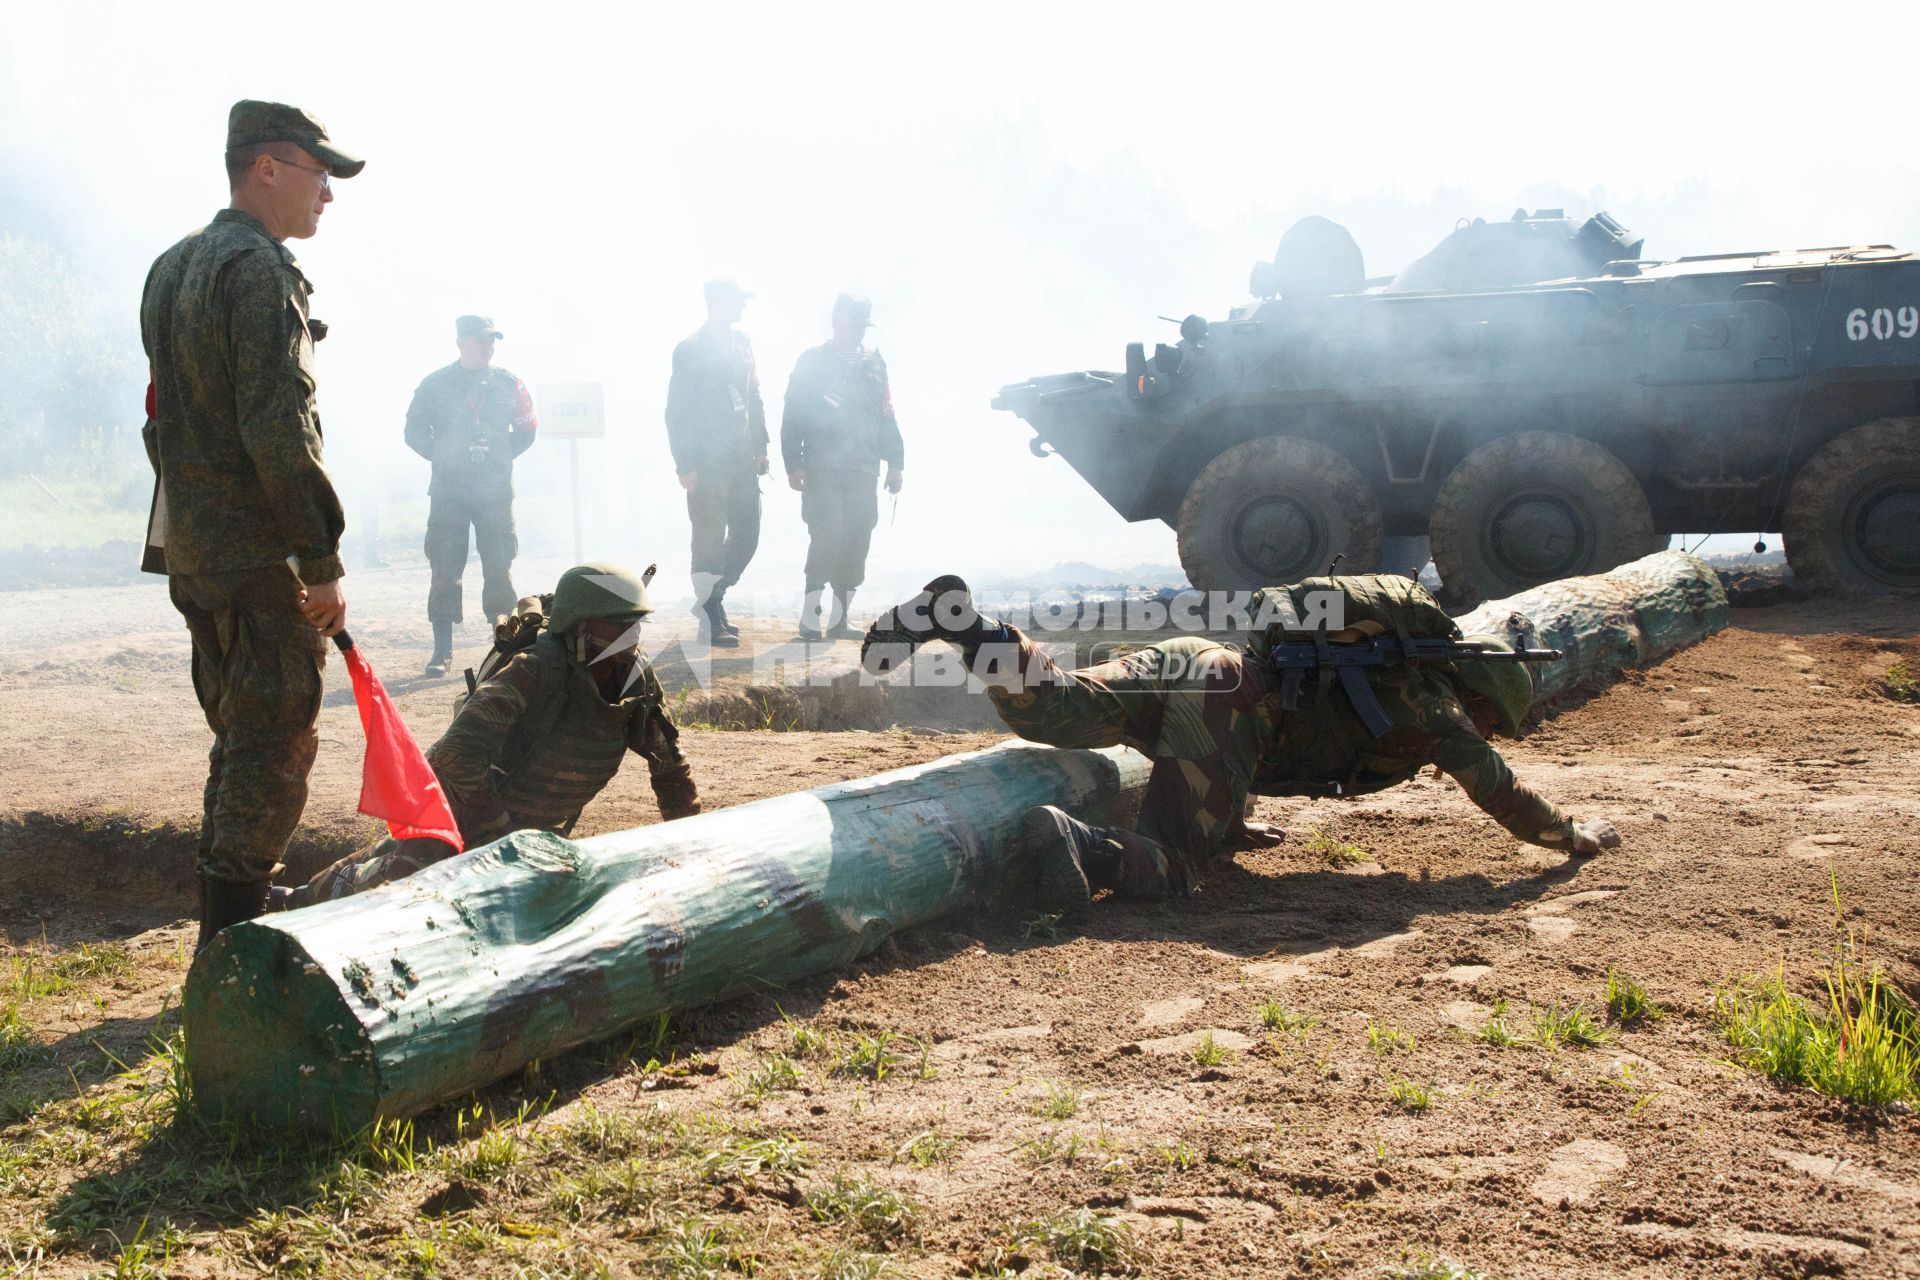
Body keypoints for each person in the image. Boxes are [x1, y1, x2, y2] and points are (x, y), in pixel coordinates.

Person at [862, 575, 1620, 915]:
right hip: (1226, 702)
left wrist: (1232, 815)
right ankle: (1080, 845)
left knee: (1053, 709)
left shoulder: (1383, 674)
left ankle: (971, 629)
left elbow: (1296, 728)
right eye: (1493, 724)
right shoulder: (1436, 705)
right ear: (1485, 703)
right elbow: (1501, 791)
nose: (1484, 735)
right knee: (1175, 869)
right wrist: (1569, 835)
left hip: (1204, 659)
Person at [139, 99, 363, 951]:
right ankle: (229, 946)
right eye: (321, 176)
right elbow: (279, 425)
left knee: (240, 737)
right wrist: (319, 555)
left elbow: (165, 418)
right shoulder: (260, 272)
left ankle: (225, 923)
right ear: (267, 168)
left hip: (197, 552)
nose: (328, 197)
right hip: (257, 553)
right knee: (271, 743)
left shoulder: (172, 266)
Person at [289, 562, 701, 905]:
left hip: (530, 830)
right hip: (462, 813)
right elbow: (452, 754)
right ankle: (294, 901)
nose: (632, 638)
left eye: (635, 626)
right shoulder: (534, 669)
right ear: (581, 625)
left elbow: (669, 766)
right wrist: (498, 835)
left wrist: (691, 849)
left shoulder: (634, 681)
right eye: (618, 627)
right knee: (399, 883)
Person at [405, 314, 539, 676]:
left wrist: (498, 456)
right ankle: (442, 652)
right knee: (445, 568)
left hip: (494, 492)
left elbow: (528, 429)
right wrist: (443, 455)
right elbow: (412, 430)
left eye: (492, 340)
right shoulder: (435, 385)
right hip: (449, 491)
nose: (489, 345)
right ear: (462, 341)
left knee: (499, 567)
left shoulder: (511, 384)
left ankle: (505, 649)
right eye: (481, 339)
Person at [780, 294, 904, 641]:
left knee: (857, 537)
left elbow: (886, 412)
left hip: (864, 467)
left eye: (863, 326)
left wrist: (896, 461)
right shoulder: (812, 361)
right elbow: (793, 413)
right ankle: (809, 617)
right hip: (823, 466)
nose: (859, 333)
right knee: (826, 535)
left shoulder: (874, 363)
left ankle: (840, 618)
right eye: (854, 324)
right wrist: (793, 463)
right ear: (836, 320)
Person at [665, 279, 768, 648]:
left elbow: (753, 395)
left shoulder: (743, 344)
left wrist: (761, 445)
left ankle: (715, 597)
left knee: (748, 535)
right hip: (707, 464)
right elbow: (676, 412)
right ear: (718, 303)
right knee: (708, 540)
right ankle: (709, 617)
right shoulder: (690, 349)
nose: (742, 307)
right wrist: (685, 464)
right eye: (737, 300)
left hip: (741, 459)